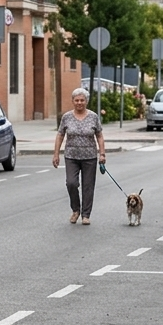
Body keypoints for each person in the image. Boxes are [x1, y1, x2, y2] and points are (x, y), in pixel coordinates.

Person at [52, 87, 106, 225]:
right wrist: (56, 154)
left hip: (89, 157)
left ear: (86, 101)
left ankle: (86, 215)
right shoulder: (67, 117)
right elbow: (60, 135)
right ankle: (76, 209)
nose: (79, 103)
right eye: (76, 100)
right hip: (71, 156)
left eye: (82, 100)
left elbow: (99, 135)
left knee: (88, 186)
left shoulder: (93, 117)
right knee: (71, 183)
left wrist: (102, 154)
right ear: (72, 101)